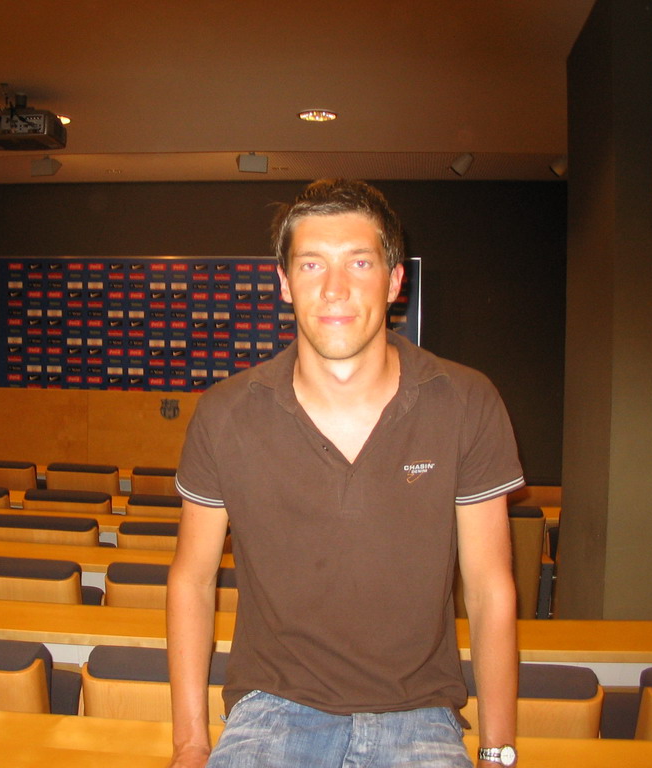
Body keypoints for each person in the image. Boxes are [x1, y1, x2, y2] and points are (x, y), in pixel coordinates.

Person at [167, 178, 524, 768]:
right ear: (284, 283)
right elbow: (191, 580)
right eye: (312, 264)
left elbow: (490, 589)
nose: (335, 288)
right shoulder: (226, 413)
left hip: (422, 716)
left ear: (393, 280)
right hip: (270, 710)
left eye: (359, 262)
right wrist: (189, 744)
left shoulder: (465, 401)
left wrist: (497, 751)